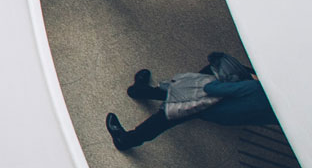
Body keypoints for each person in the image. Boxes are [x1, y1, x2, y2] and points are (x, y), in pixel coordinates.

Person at [107, 53, 274, 150]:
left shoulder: (255, 88)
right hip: (228, 118)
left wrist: (246, 82)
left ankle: (127, 140)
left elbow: (212, 89)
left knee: (168, 114)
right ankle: (142, 91)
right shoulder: (284, 112)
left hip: (211, 105)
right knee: (182, 100)